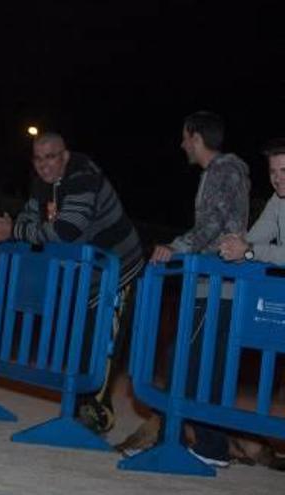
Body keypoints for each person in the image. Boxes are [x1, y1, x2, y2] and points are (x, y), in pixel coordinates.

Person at [0, 132, 145, 433]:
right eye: (38, 158)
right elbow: (29, 218)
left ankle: (97, 414)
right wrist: (8, 227)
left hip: (118, 270)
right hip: (84, 275)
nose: (44, 165)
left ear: (65, 156)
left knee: (103, 343)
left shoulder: (83, 177)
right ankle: (77, 409)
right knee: (80, 339)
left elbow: (65, 231)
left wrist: (15, 230)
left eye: (51, 157)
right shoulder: (42, 184)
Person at [147, 111, 250, 468]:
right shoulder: (221, 172)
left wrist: (175, 246)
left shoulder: (224, 170)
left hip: (218, 287)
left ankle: (180, 442)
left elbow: (212, 225)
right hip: (217, 286)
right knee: (207, 365)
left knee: (184, 358)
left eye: (183, 136)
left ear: (195, 136)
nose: (181, 144)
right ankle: (209, 446)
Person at [219, 137, 285, 265]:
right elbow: (253, 241)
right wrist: (234, 246)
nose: (277, 179)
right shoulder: (277, 199)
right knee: (202, 285)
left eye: (284, 171)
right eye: (273, 172)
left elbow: (252, 250)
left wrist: (248, 251)